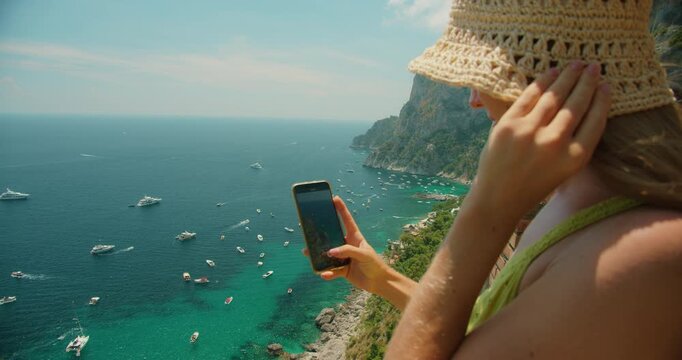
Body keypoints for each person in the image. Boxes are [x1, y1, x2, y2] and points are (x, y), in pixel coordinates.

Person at [303, 0, 682, 358]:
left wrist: (487, 206)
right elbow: (491, 334)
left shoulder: (644, 258)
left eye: (489, 74)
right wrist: (383, 279)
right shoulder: (579, 202)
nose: (474, 99)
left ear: (548, 81)